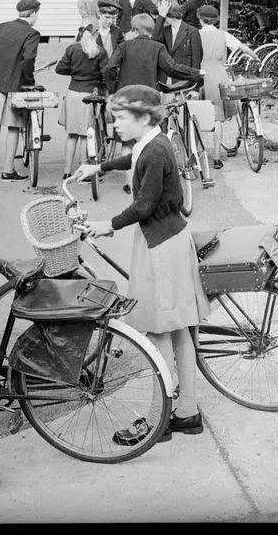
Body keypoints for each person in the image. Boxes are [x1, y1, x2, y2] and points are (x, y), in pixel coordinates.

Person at [75, 85, 211, 445]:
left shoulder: (155, 151)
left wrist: (109, 225)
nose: (114, 124)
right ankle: (187, 411)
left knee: (159, 331)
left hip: (160, 247)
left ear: (145, 117)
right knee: (180, 328)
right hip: (169, 240)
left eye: (120, 118)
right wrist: (99, 166)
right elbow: (132, 159)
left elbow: (144, 205)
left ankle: (158, 419)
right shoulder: (154, 142)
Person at [103, 13, 204, 192]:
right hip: (148, 98)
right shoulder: (158, 47)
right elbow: (172, 68)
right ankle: (147, 182)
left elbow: (110, 68)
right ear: (151, 29)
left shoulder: (124, 46)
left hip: (126, 97)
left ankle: (129, 182)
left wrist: (114, 88)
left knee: (127, 143)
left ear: (134, 29)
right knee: (149, 140)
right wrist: (196, 73)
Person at [0, 0, 41, 181]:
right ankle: (8, 170)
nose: (37, 17)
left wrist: (1, 66)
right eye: (37, 14)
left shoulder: (2, 27)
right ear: (32, 14)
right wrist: (29, 81)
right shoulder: (32, 33)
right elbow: (28, 60)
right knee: (14, 127)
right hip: (15, 86)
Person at [197, 4, 257, 169]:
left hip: (198, 74)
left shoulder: (194, 35)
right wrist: (256, 57)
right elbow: (242, 47)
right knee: (217, 118)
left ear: (199, 18)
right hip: (218, 75)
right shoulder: (223, 35)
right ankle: (216, 157)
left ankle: (195, 154)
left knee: (195, 115)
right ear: (215, 19)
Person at [55, 25, 108, 180]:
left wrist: (74, 70)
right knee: (86, 135)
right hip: (90, 94)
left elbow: (60, 69)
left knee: (72, 134)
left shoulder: (72, 49)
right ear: (95, 35)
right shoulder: (100, 52)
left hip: (72, 93)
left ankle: (66, 171)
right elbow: (106, 73)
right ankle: (83, 171)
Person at [155, 0, 203, 90]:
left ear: (169, 14)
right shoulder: (165, 31)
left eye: (161, 13)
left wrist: (195, 89)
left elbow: (196, 62)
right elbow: (154, 41)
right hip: (164, 81)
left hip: (183, 82)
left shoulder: (192, 32)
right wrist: (161, 17)